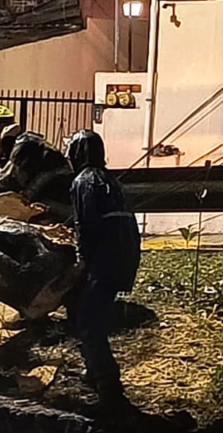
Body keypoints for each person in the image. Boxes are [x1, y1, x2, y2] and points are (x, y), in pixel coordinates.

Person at [67, 129, 141, 407]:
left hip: (105, 258)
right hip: (127, 254)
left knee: (88, 321)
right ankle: (94, 371)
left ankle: (109, 386)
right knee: (85, 311)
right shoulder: (112, 180)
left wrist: (81, 262)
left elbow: (86, 226)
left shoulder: (83, 181)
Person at [0, 104, 74, 224]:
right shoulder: (29, 145)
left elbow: (4, 185)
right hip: (60, 209)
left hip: (62, 212)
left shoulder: (26, 147)